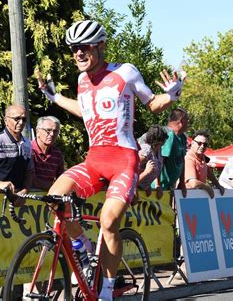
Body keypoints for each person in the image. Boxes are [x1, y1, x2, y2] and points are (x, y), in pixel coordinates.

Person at [37, 20, 184, 301]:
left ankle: (105, 291)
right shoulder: (82, 80)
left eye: (84, 47)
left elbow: (152, 104)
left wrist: (172, 94)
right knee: (55, 198)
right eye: (73, 49)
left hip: (123, 162)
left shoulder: (125, 72)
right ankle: (82, 245)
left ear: (100, 46)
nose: (78, 54)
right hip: (94, 161)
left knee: (108, 221)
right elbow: (85, 111)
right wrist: (54, 97)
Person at [184, 130, 224, 198]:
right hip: (186, 198)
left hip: (197, 198)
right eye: (199, 143)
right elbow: (193, 183)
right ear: (193, 143)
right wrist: (208, 188)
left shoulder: (202, 157)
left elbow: (208, 172)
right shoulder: (189, 159)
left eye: (205, 144)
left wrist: (218, 185)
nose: (202, 146)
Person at [159, 108, 190, 196]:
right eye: (187, 120)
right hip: (160, 187)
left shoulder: (183, 137)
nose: (189, 124)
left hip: (169, 187)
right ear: (181, 121)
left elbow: (182, 161)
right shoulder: (170, 136)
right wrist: (158, 185)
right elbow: (160, 160)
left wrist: (182, 183)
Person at [31, 116, 64, 190]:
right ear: (38, 131)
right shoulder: (28, 150)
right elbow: (31, 180)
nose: (52, 134)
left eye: (55, 131)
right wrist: (53, 188)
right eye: (48, 130)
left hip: (49, 197)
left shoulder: (57, 154)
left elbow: (61, 179)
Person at [138, 125, 168, 199]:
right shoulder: (146, 151)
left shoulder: (159, 150)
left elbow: (156, 168)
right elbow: (130, 170)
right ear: (160, 140)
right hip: (133, 188)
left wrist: (157, 185)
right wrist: (146, 172)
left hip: (143, 189)